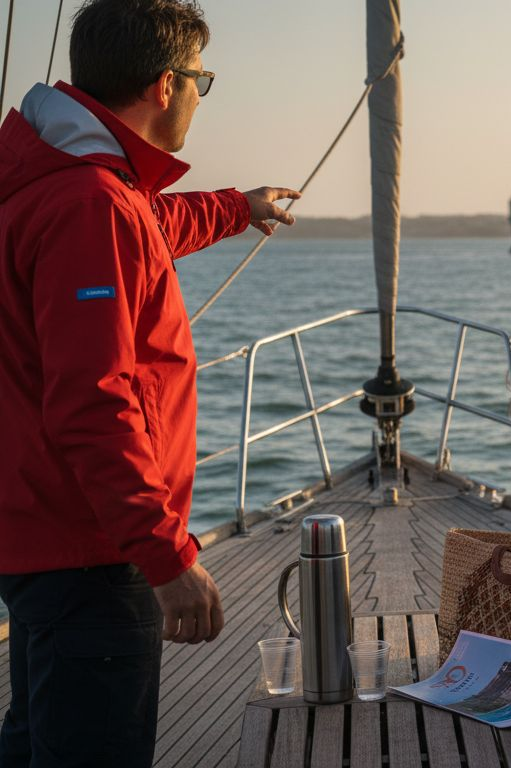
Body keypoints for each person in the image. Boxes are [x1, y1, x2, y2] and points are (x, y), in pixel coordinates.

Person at [0, 1, 299, 765]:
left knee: (38, 740)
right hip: (93, 552)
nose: (204, 92)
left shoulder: (67, 181)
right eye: (203, 78)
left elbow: (149, 227)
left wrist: (239, 207)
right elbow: (92, 403)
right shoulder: (88, 203)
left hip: (44, 536)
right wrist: (167, 557)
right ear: (166, 86)